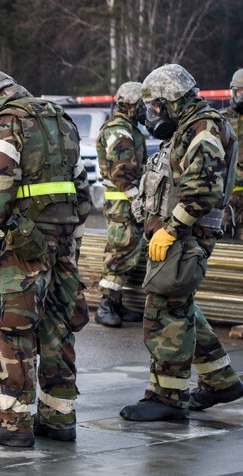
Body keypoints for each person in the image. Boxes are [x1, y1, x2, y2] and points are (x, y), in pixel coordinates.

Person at [0, 70, 90, 447]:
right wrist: (72, 248)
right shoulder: (60, 120)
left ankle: (12, 422)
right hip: (62, 243)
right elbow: (81, 189)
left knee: (13, 329)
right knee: (57, 327)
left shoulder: (7, 124)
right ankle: (59, 417)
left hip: (23, 247)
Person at [120, 64, 243, 421]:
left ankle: (168, 396)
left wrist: (171, 230)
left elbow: (203, 190)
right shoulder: (193, 127)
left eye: (156, 106)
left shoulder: (203, 129)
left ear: (170, 101)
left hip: (185, 234)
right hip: (179, 232)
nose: (153, 114)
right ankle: (220, 380)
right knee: (181, 306)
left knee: (164, 310)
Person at [94, 81, 148, 327]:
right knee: (119, 252)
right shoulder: (119, 130)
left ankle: (116, 303)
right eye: (142, 105)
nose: (146, 109)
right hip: (122, 204)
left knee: (128, 252)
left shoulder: (128, 128)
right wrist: (137, 199)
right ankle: (105, 305)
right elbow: (122, 171)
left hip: (125, 202)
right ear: (131, 104)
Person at [222, 68, 243, 240]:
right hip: (225, 198)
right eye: (239, 91)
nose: (241, 96)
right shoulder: (221, 119)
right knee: (221, 241)